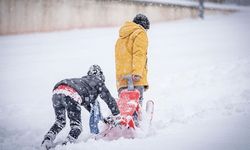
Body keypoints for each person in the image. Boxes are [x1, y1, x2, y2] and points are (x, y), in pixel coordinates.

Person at [41, 65, 120, 149]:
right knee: (76, 127)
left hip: (57, 92)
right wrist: (117, 114)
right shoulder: (98, 81)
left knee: (60, 122)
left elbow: (90, 108)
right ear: (100, 76)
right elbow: (108, 98)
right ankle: (66, 146)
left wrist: (103, 119)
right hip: (71, 94)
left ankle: (47, 140)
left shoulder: (84, 84)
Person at [115, 13, 150, 126]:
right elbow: (139, 54)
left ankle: (123, 128)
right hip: (135, 78)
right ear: (144, 26)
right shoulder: (140, 33)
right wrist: (137, 72)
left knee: (125, 108)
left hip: (121, 79)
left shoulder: (121, 37)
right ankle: (136, 129)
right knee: (135, 107)